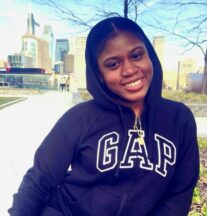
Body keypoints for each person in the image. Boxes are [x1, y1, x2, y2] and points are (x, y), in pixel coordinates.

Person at [9, 17, 199, 216]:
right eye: (113, 64)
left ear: (149, 55)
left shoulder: (178, 119)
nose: (129, 70)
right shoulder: (80, 118)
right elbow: (40, 179)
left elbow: (179, 195)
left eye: (136, 56)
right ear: (99, 74)